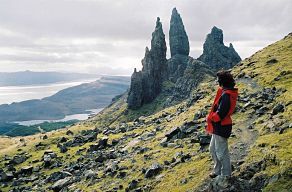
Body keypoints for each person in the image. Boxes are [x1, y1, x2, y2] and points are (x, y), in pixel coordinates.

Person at [206, 70, 238, 178]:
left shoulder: (226, 95)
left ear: (222, 82)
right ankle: (217, 170)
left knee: (221, 152)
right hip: (219, 126)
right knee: (212, 149)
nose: (217, 82)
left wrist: (210, 117)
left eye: (218, 80)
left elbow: (221, 113)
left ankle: (226, 175)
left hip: (222, 126)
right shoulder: (226, 92)